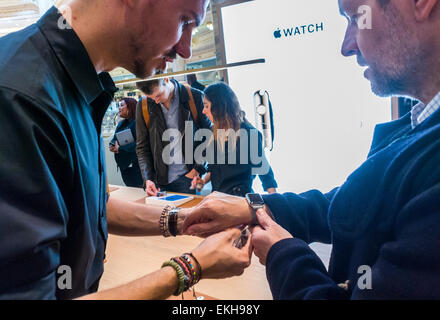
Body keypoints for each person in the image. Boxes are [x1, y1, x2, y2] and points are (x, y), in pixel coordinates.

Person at [0, 0, 251, 300]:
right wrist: (188, 268)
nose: (186, 50)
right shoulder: (19, 98)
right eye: (184, 21)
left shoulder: (73, 85)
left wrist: (184, 221)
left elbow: (94, 205)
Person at [183, 0, 440, 299]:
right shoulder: (420, 127)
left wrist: (283, 254)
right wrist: (255, 208)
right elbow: (348, 206)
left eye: (357, 17)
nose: (347, 46)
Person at [190, 82, 278, 196]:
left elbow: (265, 173)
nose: (203, 111)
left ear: (219, 107)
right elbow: (216, 169)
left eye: (206, 106)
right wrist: (202, 181)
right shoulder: (213, 133)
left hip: (239, 201)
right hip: (217, 199)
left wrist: (275, 202)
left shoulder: (249, 133)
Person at [136, 77, 212, 196]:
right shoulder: (143, 105)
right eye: (151, 98)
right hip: (158, 183)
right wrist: (148, 179)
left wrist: (198, 168)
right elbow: (142, 147)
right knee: (162, 215)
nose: (156, 101)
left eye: (158, 95)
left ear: (166, 80)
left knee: (190, 214)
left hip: (189, 177)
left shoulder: (194, 97)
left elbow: (210, 137)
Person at [109, 98, 143, 188]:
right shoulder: (121, 124)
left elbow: (140, 144)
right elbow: (114, 140)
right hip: (125, 168)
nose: (119, 108)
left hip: (136, 168)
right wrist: (112, 146)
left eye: (122, 105)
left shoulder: (138, 123)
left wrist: (120, 148)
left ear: (130, 107)